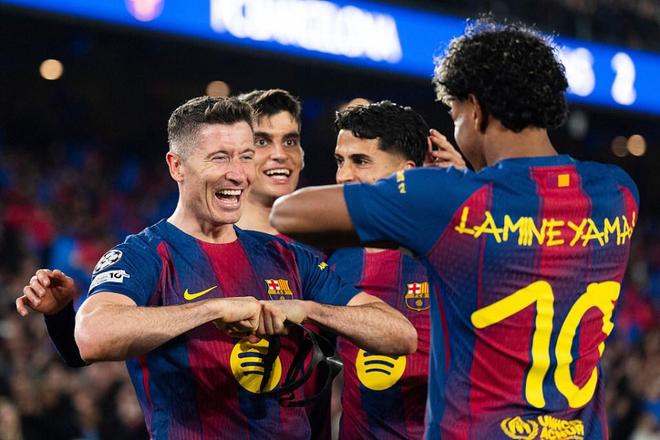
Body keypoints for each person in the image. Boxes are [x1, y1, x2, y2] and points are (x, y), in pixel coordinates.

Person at [270, 19, 640, 439]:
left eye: (455, 115)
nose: (457, 129)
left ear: (476, 110)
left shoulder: (448, 199)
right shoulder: (618, 193)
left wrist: (423, 195)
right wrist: (468, 182)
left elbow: (288, 213)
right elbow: (525, 230)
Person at [25, 96, 418, 440]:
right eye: (219, 158)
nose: (238, 173)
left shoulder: (289, 257)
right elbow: (91, 336)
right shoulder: (144, 255)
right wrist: (213, 309)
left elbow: (399, 335)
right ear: (177, 166)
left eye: (245, 156)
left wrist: (308, 309)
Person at [329, 100, 463, 439]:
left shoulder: (458, 255)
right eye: (340, 161)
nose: (343, 175)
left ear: (406, 173)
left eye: (360, 161)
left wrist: (468, 188)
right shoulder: (335, 260)